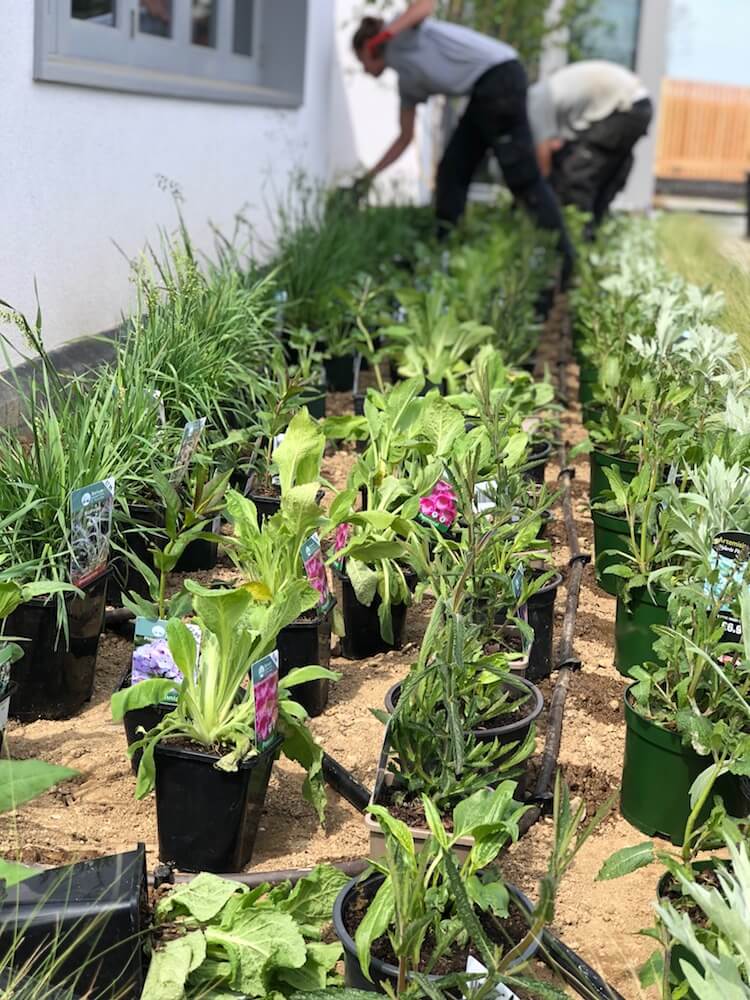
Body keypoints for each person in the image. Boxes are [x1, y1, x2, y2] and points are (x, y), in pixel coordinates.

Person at [352, 2, 574, 285]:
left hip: (501, 76)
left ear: (369, 47)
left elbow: (426, 5)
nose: (363, 69)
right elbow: (404, 139)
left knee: (523, 178)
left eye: (362, 60)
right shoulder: (406, 84)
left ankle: (564, 258)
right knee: (452, 172)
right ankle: (441, 251)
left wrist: (388, 33)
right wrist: (368, 178)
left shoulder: (404, 33)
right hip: (483, 94)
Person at [527, 60, 653, 230]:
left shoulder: (533, 104)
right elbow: (555, 146)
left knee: (578, 174)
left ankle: (576, 235)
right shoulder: (548, 95)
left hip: (626, 107)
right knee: (601, 172)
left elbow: (543, 161)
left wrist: (539, 192)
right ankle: (595, 231)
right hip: (634, 105)